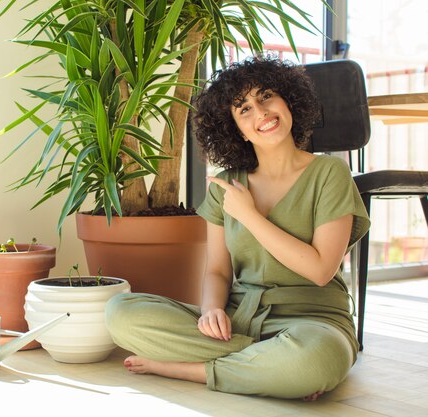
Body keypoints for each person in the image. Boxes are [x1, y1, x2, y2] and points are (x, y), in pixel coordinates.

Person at [104, 56, 370, 401]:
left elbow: (320, 270)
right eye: (243, 108)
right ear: (234, 128)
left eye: (266, 96)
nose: (260, 112)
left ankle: (192, 370)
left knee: (315, 358)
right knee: (120, 313)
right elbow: (217, 270)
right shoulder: (226, 185)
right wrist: (212, 310)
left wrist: (250, 216)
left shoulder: (329, 173)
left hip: (312, 322)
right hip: (237, 319)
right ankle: (268, 367)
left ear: (289, 101)